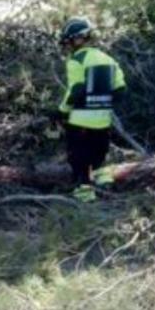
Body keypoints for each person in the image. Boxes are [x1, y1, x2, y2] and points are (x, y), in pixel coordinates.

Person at [55, 17, 126, 202]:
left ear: (78, 39)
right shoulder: (108, 59)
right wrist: (102, 103)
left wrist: (62, 110)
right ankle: (106, 190)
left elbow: (76, 89)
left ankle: (85, 198)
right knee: (99, 157)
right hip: (103, 121)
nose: (69, 45)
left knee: (79, 160)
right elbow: (120, 90)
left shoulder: (77, 60)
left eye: (69, 41)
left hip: (80, 122)